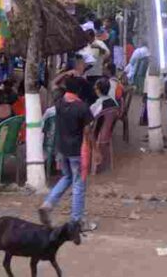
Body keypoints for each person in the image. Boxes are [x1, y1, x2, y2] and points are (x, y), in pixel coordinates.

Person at [39, 76, 94, 229]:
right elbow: (88, 133)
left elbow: (53, 84)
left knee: (67, 177)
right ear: (79, 90)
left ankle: (48, 204)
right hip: (77, 151)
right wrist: (95, 151)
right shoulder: (82, 107)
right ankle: (76, 220)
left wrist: (66, 73)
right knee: (78, 184)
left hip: (61, 149)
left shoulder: (58, 104)